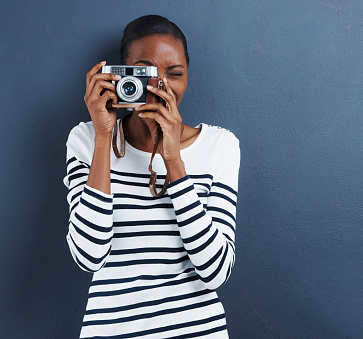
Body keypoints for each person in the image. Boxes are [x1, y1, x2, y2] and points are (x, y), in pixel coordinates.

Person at [63, 15, 240, 338]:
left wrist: (173, 159)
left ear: (188, 76)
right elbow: (89, 256)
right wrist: (104, 137)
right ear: (119, 76)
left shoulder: (219, 145)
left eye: (174, 74)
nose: (160, 87)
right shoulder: (85, 139)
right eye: (144, 74)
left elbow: (215, 272)